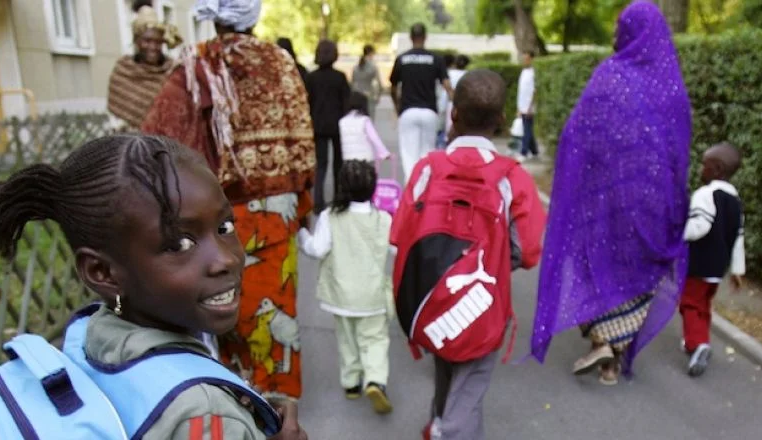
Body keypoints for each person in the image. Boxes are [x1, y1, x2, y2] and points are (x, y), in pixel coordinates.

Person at [0, 134, 307, 440]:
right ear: (102, 272)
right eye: (179, 245)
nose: (226, 260)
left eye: (224, 226)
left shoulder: (90, 333)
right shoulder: (204, 411)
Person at [142, 0, 316, 403]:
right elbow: (303, 144)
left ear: (214, 15)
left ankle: (227, 405)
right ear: (253, 16)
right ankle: (276, 413)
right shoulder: (279, 62)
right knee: (274, 316)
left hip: (209, 222)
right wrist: (302, 204)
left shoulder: (194, 64)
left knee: (218, 313)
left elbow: (156, 138)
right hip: (275, 217)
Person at [531, 0, 691, 386]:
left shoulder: (610, 75)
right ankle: (612, 357)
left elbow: (576, 133)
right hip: (653, 200)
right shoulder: (671, 84)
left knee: (600, 262)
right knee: (637, 268)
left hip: (604, 197)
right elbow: (678, 146)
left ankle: (604, 340)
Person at [393, 70, 546, 440]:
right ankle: (446, 430)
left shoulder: (428, 168)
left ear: (453, 115)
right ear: (501, 119)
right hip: (482, 305)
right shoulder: (513, 177)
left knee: (447, 372)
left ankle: (439, 424)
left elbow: (399, 234)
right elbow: (527, 250)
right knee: (470, 389)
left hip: (431, 301)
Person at [297, 160, 394, 414]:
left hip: (340, 295)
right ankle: (375, 380)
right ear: (373, 188)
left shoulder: (331, 216)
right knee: (374, 339)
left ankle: (351, 383)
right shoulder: (383, 219)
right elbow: (396, 248)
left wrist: (302, 235)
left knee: (347, 339)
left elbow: (317, 249)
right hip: (372, 296)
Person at [680, 142, 745, 377]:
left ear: (716, 169)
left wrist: (676, 234)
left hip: (699, 263)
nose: (700, 169)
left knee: (689, 302)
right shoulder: (736, 202)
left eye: (704, 165)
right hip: (717, 268)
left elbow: (699, 226)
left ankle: (698, 344)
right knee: (704, 304)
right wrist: (737, 270)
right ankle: (697, 341)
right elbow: (738, 237)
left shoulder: (705, 194)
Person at [390, 23, 453, 179]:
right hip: (430, 112)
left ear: (411, 38)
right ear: (425, 37)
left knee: (409, 156)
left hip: (408, 112)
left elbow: (393, 86)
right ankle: (425, 192)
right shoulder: (436, 59)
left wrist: (397, 106)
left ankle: (411, 194)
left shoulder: (402, 59)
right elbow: (447, 86)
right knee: (427, 157)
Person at [107, 4, 182, 131]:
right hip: (131, 143)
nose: (152, 47)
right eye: (147, 41)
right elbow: (116, 121)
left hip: (169, 144)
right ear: (136, 41)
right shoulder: (123, 70)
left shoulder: (174, 72)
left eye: (157, 42)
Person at [306, 39, 352, 214]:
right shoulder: (339, 77)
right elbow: (346, 102)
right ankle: (338, 198)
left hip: (317, 125)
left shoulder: (311, 77)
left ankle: (317, 202)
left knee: (321, 164)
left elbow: (307, 102)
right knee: (338, 164)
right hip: (337, 125)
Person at [339, 92, 391, 162]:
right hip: (365, 160)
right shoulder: (365, 120)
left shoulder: (342, 121)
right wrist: (384, 153)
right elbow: (374, 138)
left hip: (348, 161)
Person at [351, 44, 383, 120]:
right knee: (369, 120)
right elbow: (378, 83)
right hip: (369, 95)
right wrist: (378, 95)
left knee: (358, 119)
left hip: (357, 95)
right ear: (371, 53)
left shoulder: (356, 67)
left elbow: (352, 83)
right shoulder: (373, 67)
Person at [516, 51, 537, 161]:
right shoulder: (523, 72)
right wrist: (519, 107)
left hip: (529, 106)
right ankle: (534, 151)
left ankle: (523, 152)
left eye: (527, 58)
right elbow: (521, 91)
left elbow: (534, 91)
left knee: (527, 129)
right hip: (522, 105)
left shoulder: (534, 73)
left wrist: (530, 107)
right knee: (527, 129)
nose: (525, 60)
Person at [444, 55, 471, 136]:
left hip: (450, 103)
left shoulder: (449, 74)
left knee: (449, 128)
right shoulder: (469, 75)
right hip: (464, 104)